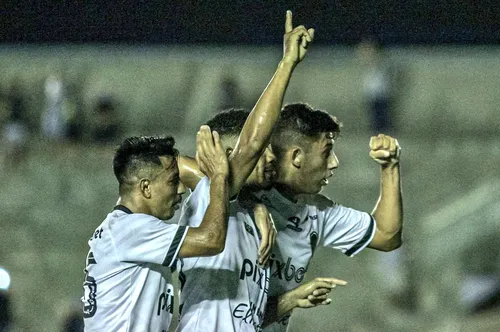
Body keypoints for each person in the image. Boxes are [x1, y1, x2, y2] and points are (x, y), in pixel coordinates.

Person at [175, 12, 346, 332]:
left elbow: (246, 318)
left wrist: (292, 299)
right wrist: (287, 64)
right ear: (226, 156)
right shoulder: (212, 197)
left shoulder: (252, 219)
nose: (269, 156)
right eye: (260, 150)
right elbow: (248, 144)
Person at [256, 102, 403, 331]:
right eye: (326, 152)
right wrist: (290, 300)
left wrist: (390, 167)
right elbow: (229, 317)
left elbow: (386, 236)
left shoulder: (315, 211)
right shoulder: (239, 202)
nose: (334, 163)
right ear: (296, 156)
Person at [81, 132, 231, 332]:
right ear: (145, 187)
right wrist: (220, 175)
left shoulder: (122, 229)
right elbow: (211, 240)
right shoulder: (132, 229)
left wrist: (254, 207)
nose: (181, 189)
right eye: (173, 181)